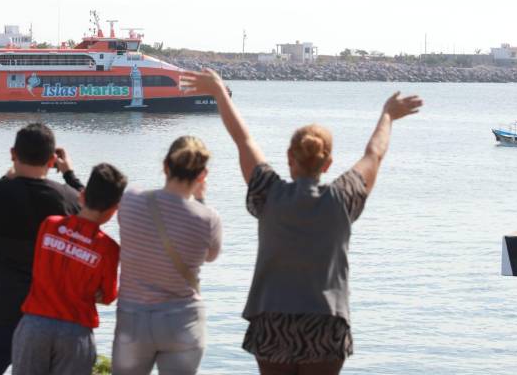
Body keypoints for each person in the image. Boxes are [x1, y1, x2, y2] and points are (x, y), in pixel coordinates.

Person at [181, 69, 422, 375]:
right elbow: (374, 154)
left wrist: (218, 92)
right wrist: (387, 115)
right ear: (328, 163)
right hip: (325, 320)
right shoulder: (343, 198)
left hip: (272, 319)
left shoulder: (268, 193)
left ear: (289, 158)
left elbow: (244, 140)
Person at [0, 123, 81, 375]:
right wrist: (69, 173)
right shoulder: (67, 198)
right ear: (51, 161)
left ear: (13, 154)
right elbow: (93, 208)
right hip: (47, 314)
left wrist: (6, 178)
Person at [112, 136, 222, 375]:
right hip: (182, 321)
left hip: (133, 320)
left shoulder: (130, 200)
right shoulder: (208, 219)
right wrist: (200, 199)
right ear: (203, 175)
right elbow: (210, 256)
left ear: (165, 166)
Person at [11, 163, 126, 375]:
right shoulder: (109, 249)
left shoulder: (49, 225)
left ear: (82, 196)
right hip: (75, 331)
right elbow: (108, 296)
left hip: (35, 324)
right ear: (114, 210)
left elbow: (41, 266)